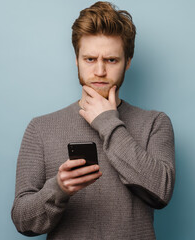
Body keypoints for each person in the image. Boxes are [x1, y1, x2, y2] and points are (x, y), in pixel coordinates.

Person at [11, 2, 175, 239]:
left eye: (111, 60)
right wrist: (59, 189)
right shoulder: (40, 128)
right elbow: (22, 221)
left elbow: (161, 192)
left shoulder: (155, 123)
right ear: (76, 60)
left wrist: (107, 122)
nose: (99, 71)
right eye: (89, 59)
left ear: (127, 62)